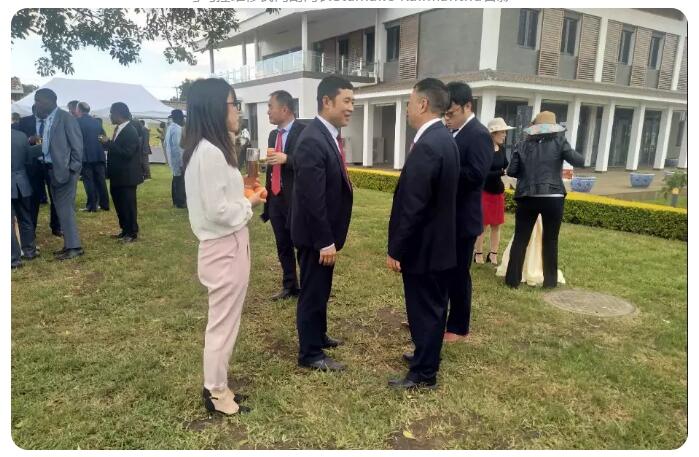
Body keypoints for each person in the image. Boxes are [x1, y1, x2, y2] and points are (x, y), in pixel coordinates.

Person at [182, 77, 264, 416]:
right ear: (216, 108)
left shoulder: (211, 149)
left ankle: (217, 385)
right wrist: (250, 203)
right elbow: (218, 211)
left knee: (225, 321)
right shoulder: (210, 152)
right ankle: (216, 391)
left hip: (227, 245)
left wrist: (241, 190)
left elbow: (217, 198)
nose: (238, 111)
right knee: (223, 324)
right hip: (224, 247)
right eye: (234, 104)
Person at [291, 75, 354, 372]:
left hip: (323, 234)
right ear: (327, 102)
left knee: (321, 289)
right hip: (315, 237)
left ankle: (318, 335)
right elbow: (311, 198)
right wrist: (325, 241)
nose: (351, 108)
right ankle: (310, 353)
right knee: (313, 292)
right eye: (346, 101)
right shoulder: (312, 139)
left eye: (353, 101)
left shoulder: (326, 134)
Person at [504, 111, 585, 288]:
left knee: (520, 238)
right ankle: (549, 282)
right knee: (551, 240)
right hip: (553, 196)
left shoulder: (521, 145)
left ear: (534, 127)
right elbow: (579, 161)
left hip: (527, 196)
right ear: (554, 128)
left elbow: (511, 171)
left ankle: (512, 280)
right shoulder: (560, 142)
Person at [442, 81, 493, 343]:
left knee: (459, 274)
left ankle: (458, 327)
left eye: (451, 113)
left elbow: (476, 175)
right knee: (444, 271)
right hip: (448, 217)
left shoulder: (478, 134)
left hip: (464, 219)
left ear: (467, 106)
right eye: (445, 113)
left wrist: (443, 169)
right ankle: (439, 317)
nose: (447, 118)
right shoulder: (452, 132)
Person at [261, 90, 305, 301]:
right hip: (276, 198)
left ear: (285, 109)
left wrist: (287, 158)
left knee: (302, 245)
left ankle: (308, 286)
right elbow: (272, 167)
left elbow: (310, 162)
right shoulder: (273, 135)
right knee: (282, 244)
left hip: (296, 200)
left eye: (270, 106)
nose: (268, 111)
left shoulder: (304, 132)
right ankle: (290, 285)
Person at [30, 88, 84, 260]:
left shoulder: (66, 118)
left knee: (66, 210)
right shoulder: (48, 118)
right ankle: (69, 245)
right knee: (61, 209)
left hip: (64, 172)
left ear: (49, 101)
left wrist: (72, 169)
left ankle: (74, 247)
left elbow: (77, 147)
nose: (36, 104)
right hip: (51, 169)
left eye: (38, 100)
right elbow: (49, 146)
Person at [99, 102, 144, 243]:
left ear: (118, 114)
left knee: (128, 205)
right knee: (119, 204)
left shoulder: (130, 130)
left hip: (127, 176)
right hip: (117, 175)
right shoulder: (119, 129)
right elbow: (118, 149)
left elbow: (127, 153)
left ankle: (132, 232)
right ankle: (124, 229)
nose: (110, 116)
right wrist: (106, 144)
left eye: (111, 113)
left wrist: (109, 143)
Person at [474, 117, 514, 266]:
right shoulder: (483, 149)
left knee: (497, 225)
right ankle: (478, 253)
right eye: (502, 132)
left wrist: (502, 171)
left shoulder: (501, 149)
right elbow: (482, 173)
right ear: (493, 133)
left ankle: (493, 254)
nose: (505, 135)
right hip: (484, 192)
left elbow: (506, 165)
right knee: (482, 225)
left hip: (498, 192)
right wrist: (500, 172)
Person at [11, 128, 43, 268]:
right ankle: (30, 251)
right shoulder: (21, 135)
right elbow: (28, 159)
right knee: (25, 217)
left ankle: (13, 258)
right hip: (21, 181)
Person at [75, 102, 109, 212]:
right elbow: (103, 137)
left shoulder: (77, 122)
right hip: (98, 154)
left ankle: (91, 206)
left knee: (88, 181)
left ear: (79, 110)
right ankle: (104, 204)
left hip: (85, 156)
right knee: (101, 181)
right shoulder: (96, 122)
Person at [165, 109, 187, 208]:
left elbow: (166, 144)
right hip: (178, 159)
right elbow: (179, 148)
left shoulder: (170, 128)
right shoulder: (178, 129)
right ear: (180, 118)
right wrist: (182, 163)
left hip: (173, 159)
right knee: (180, 181)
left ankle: (176, 200)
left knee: (176, 179)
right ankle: (180, 202)